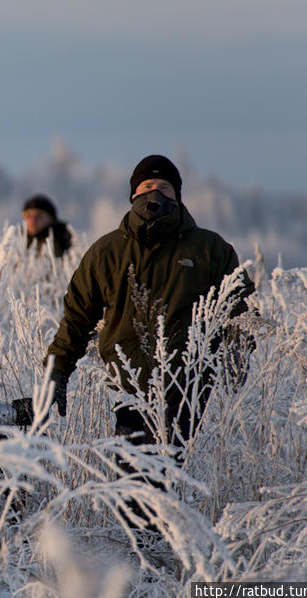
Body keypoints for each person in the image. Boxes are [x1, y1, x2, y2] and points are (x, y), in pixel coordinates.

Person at [44, 155, 255, 450]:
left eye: (164, 187)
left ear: (178, 196)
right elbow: (76, 319)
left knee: (166, 477)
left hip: (186, 390)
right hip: (126, 388)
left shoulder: (210, 249)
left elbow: (238, 311)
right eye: (147, 185)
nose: (155, 193)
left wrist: (237, 351)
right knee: (131, 483)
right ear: (134, 194)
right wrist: (57, 371)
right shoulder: (107, 252)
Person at [22, 194, 72, 258]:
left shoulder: (65, 241)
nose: (32, 220)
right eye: (28, 215)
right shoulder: (17, 241)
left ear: (51, 218)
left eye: (38, 216)